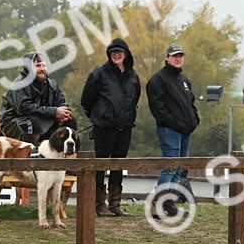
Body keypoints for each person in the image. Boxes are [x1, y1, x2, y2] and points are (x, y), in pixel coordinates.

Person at [81, 38, 140, 217]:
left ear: (126, 54)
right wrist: (99, 117)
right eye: (113, 51)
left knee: (118, 164)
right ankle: (98, 204)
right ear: (109, 54)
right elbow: (86, 100)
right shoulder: (99, 73)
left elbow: (135, 99)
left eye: (120, 51)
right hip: (104, 128)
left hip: (124, 128)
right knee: (100, 165)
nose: (117, 54)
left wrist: (128, 117)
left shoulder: (133, 76)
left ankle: (115, 204)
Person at [147, 43, 200, 216]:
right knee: (170, 167)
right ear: (167, 57)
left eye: (181, 55)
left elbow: (190, 103)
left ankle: (168, 203)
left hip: (185, 131)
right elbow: (158, 108)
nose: (178, 58)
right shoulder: (158, 79)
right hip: (169, 130)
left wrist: (194, 119)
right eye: (174, 55)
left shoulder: (184, 80)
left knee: (179, 168)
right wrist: (174, 122)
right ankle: (157, 203)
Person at [0, 52, 77, 146]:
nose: (42, 69)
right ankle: (31, 153)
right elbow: (24, 108)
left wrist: (64, 112)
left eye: (44, 65)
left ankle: (63, 151)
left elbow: (61, 103)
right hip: (14, 121)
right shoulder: (19, 84)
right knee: (32, 122)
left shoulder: (52, 85)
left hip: (42, 118)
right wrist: (54, 112)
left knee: (70, 120)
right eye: (38, 66)